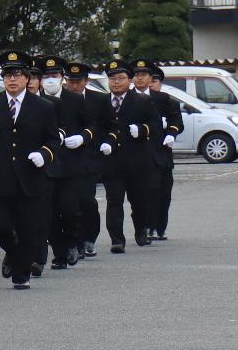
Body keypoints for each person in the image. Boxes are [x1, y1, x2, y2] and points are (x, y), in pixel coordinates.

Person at [0, 51, 60, 289]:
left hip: (30, 177)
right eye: (7, 75)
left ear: (26, 78)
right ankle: (12, 253)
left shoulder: (43, 107)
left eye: (17, 75)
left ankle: (21, 272)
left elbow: (53, 140)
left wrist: (44, 154)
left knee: (28, 229)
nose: (12, 79)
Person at [99, 59, 160, 252]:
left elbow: (156, 124)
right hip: (112, 162)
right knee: (114, 202)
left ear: (130, 80)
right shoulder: (101, 102)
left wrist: (142, 130)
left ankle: (141, 230)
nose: (116, 82)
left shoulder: (142, 101)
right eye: (112, 78)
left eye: (121, 78)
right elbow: (96, 125)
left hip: (137, 162)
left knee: (139, 201)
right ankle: (117, 239)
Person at [44, 56, 98, 270]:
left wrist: (83, 137)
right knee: (49, 212)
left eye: (54, 75)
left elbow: (91, 125)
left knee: (69, 209)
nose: (50, 80)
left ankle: (73, 243)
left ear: (61, 78)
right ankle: (58, 254)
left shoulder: (75, 100)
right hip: (46, 163)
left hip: (71, 164)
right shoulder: (34, 99)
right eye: (46, 76)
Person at [64, 60, 111, 257]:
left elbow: (108, 125)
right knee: (69, 204)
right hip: (65, 158)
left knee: (87, 202)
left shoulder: (99, 100)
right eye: (70, 81)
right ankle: (75, 242)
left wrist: (107, 142)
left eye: (78, 81)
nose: (73, 85)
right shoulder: (60, 100)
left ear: (86, 81)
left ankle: (90, 236)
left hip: (89, 157)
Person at [136, 61, 183, 241]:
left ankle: (159, 227)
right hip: (140, 153)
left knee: (162, 193)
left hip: (161, 154)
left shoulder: (165, 100)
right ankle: (146, 226)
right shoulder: (132, 98)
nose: (150, 82)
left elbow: (177, 122)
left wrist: (170, 132)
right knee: (146, 191)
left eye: (154, 80)